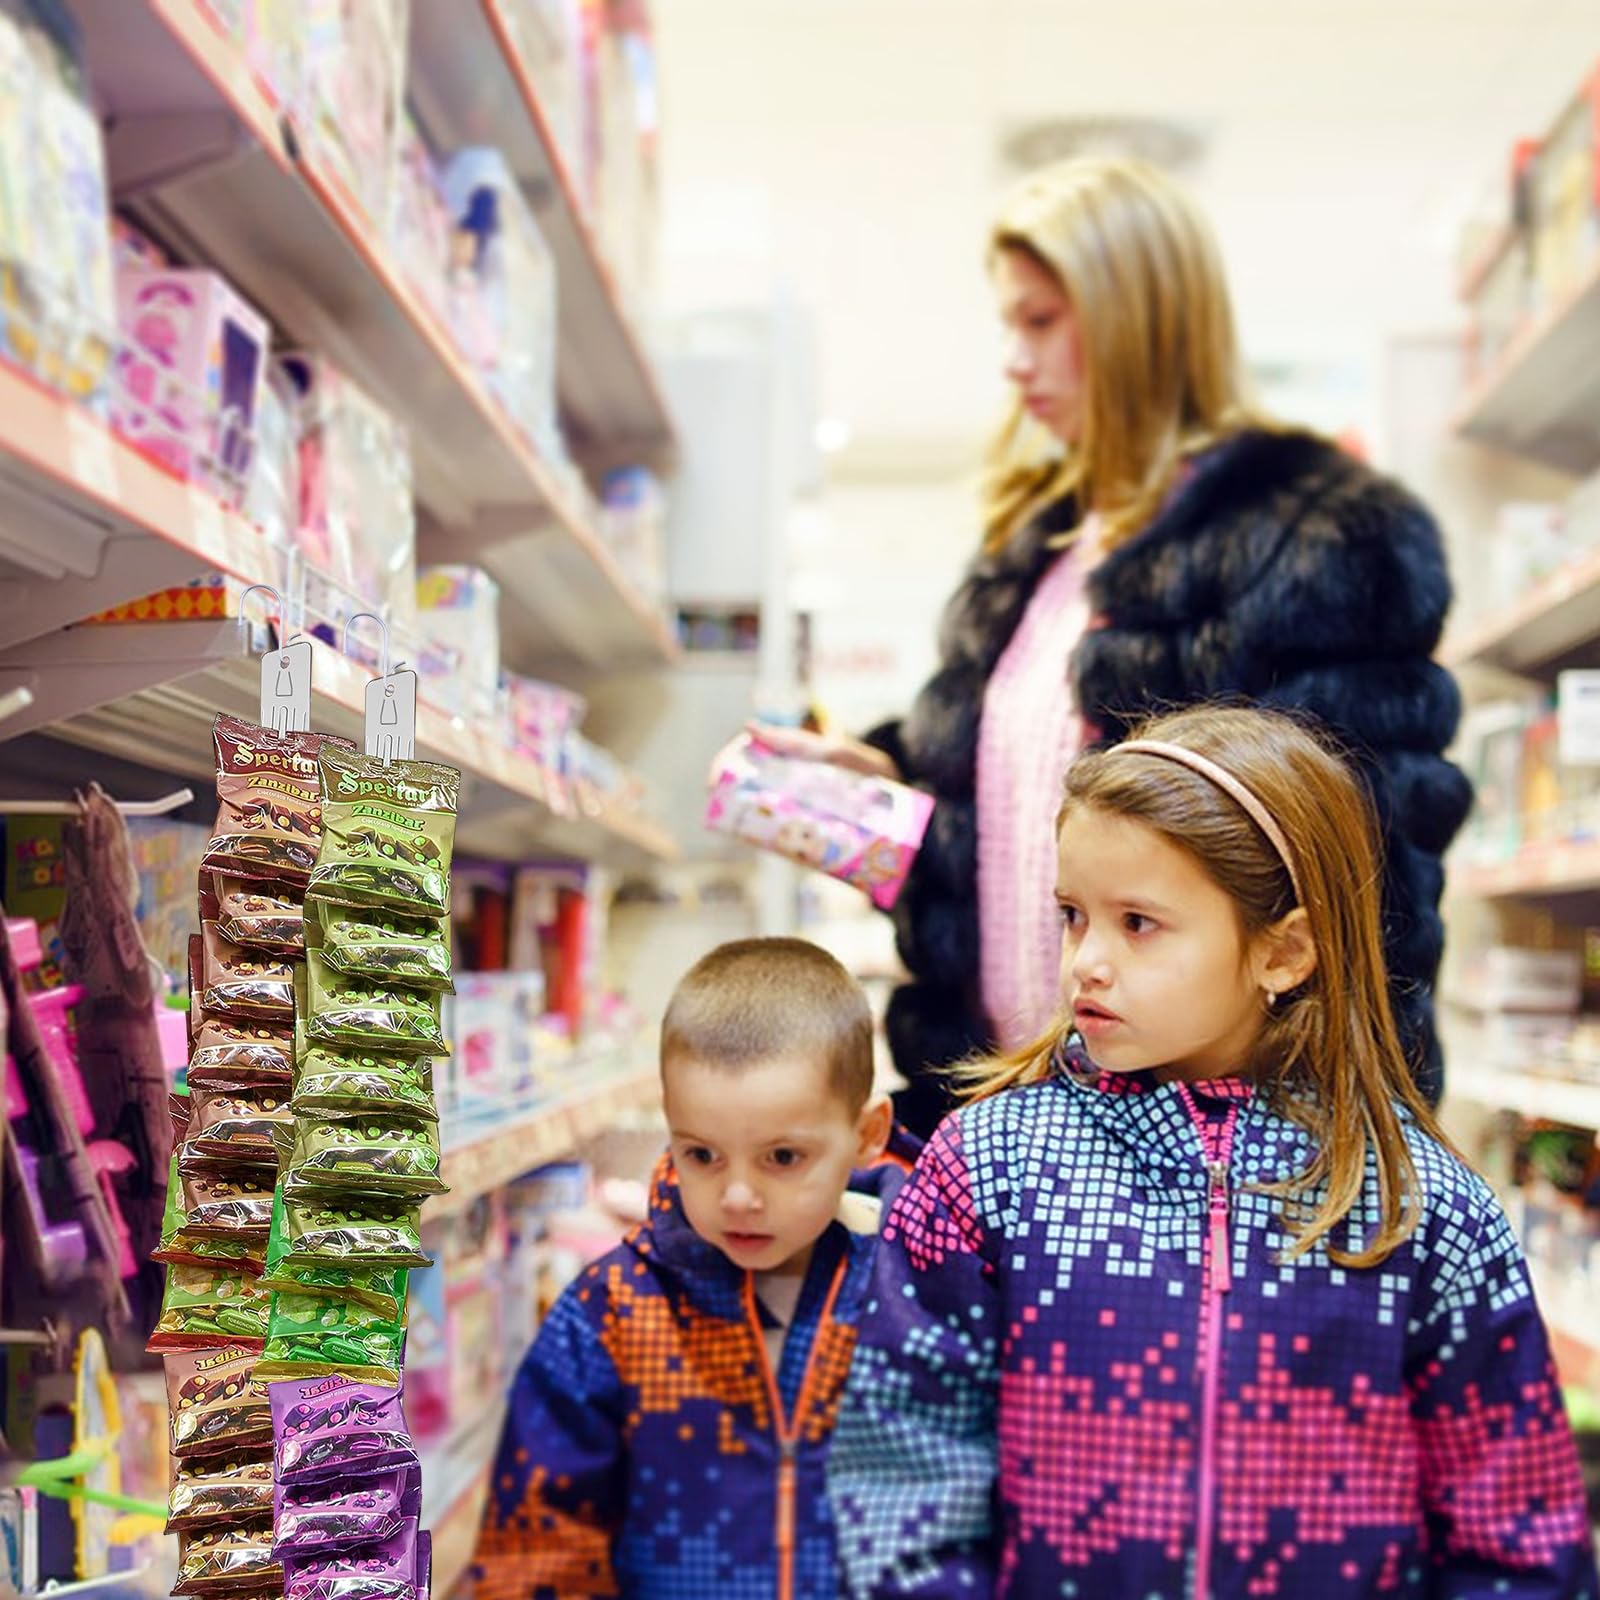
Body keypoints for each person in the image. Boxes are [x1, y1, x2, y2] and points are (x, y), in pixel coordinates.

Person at [753, 156, 1471, 1137]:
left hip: (1209, 1153)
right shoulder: (1032, 549)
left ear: (1142, 317)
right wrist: (885, 776)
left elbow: (1359, 874)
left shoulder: (1318, 535)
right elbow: (1008, 821)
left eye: (1042, 322)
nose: (1013, 361)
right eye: (1010, 324)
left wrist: (1312, 1151)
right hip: (1004, 1119)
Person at [827, 706, 1595, 1598]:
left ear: (1285, 951)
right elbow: (905, 1471)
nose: (1086, 963)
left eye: (1139, 923)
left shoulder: (1419, 1208)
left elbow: (1517, 1530)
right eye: (1074, 916)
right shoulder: (988, 1170)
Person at [467, 937, 916, 1600]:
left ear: (867, 1134)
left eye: (782, 1158)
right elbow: (539, 1544)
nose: (737, 1195)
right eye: (702, 1154)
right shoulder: (610, 1311)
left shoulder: (911, 1293)